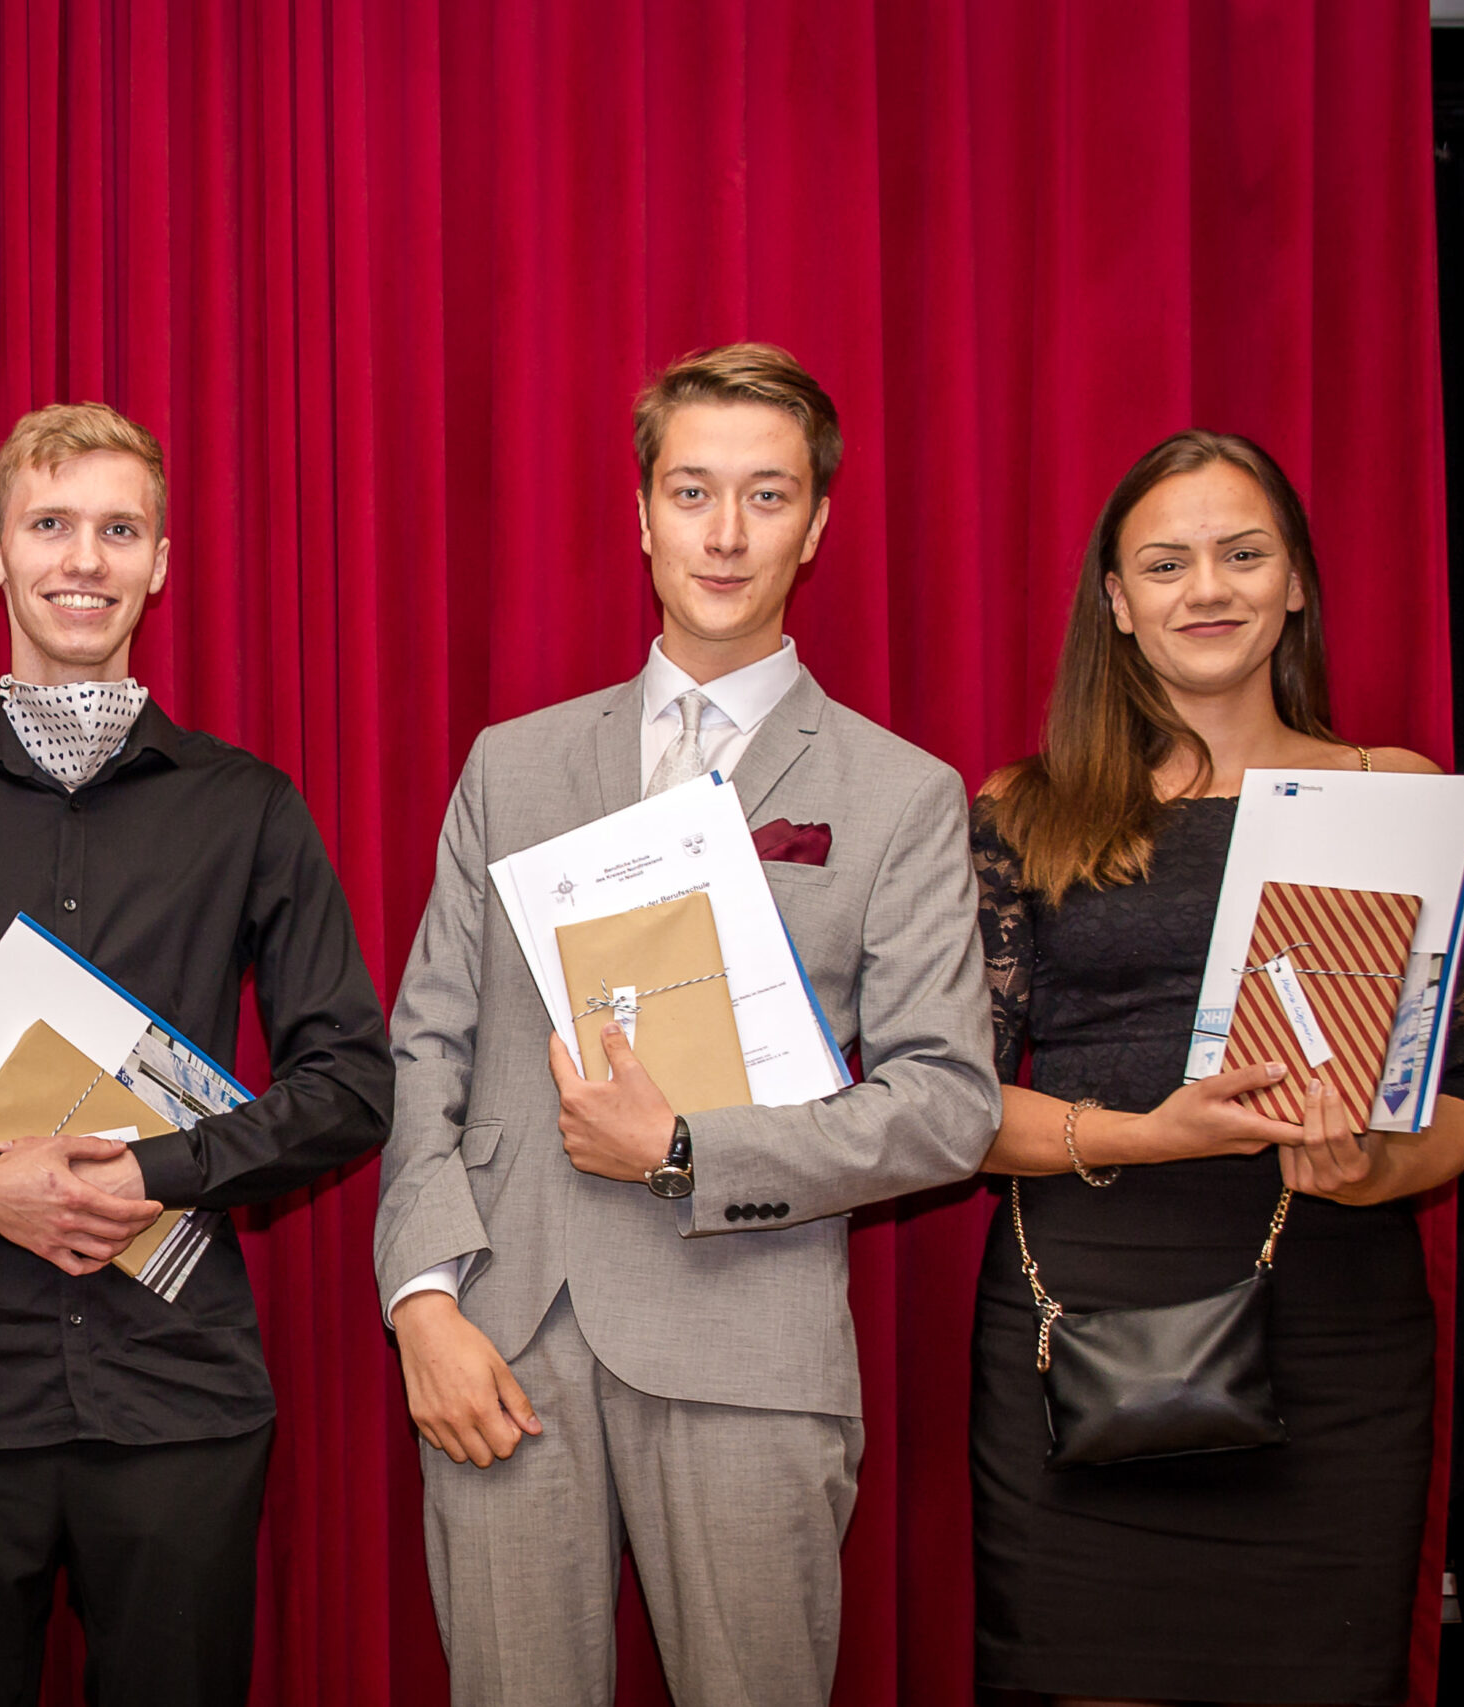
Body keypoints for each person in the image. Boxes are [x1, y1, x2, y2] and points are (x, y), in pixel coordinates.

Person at [373, 342, 1000, 1707]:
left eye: (766, 496)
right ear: (642, 513)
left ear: (815, 525)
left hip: (747, 1344)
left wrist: (683, 1151)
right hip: (501, 1338)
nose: (724, 533)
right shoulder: (512, 763)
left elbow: (948, 1105)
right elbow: (425, 1047)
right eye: (692, 491)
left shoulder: (898, 792)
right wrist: (421, 1301)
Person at [0, 402, 392, 1707]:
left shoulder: (247, 805)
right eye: (50, 524)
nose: (83, 559)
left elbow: (348, 1081)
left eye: (119, 530)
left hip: (179, 1395)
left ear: (160, 562)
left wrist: (159, 1170)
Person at [967, 429, 1464, 1706]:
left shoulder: (1397, 794)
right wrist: (1156, 1132)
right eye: (1166, 564)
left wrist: (1369, 1171)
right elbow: (951, 1111)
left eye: (1242, 554)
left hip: (1333, 1334)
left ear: (1295, 580)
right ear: (1117, 602)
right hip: (1080, 1327)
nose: (1206, 589)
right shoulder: (1023, 809)